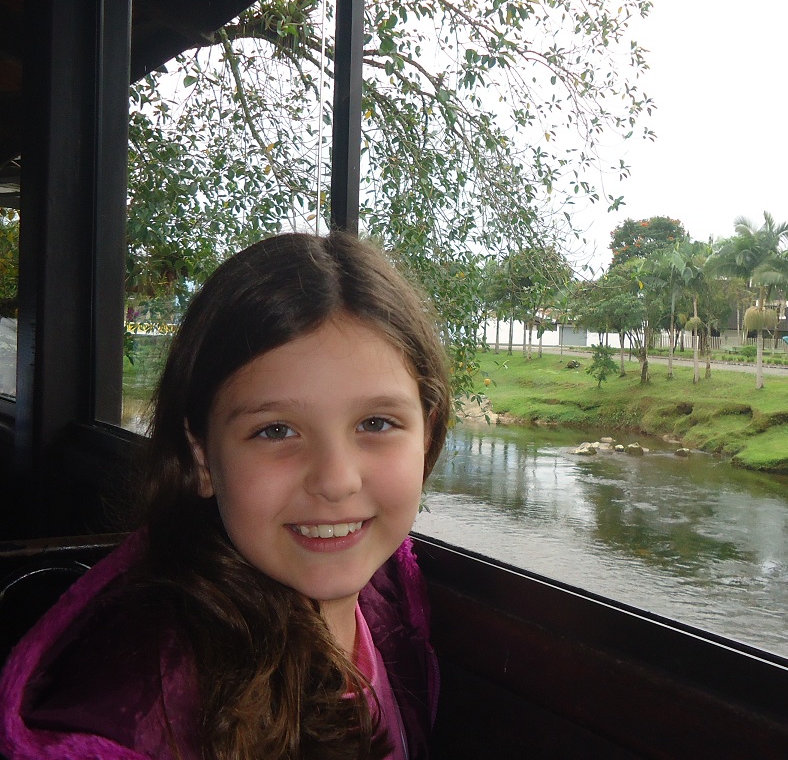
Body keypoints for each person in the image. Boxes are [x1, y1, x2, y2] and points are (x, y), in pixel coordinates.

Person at [0, 231, 451, 760]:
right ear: (202, 458)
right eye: (276, 431)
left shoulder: (390, 593)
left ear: (427, 433)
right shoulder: (143, 717)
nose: (336, 480)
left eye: (376, 423)